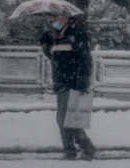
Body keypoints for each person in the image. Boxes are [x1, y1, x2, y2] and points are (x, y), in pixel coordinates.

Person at [41, 12, 96, 160]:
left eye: (57, 17)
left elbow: (85, 59)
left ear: (67, 18)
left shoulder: (77, 34)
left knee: (65, 117)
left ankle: (82, 146)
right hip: (60, 82)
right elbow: (51, 55)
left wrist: (83, 81)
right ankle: (72, 149)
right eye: (53, 17)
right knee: (65, 118)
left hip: (73, 82)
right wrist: (46, 40)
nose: (54, 20)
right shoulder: (55, 36)